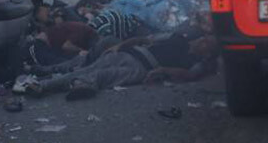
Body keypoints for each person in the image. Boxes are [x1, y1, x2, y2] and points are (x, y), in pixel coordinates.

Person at [16, 33, 218, 98]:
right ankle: (44, 86)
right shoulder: (177, 38)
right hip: (129, 53)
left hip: (142, 68)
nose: (203, 43)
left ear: (208, 52)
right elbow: (144, 38)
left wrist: (164, 70)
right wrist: (119, 46)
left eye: (208, 44)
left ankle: (80, 86)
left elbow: (190, 75)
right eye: (204, 39)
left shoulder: (195, 62)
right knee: (88, 69)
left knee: (105, 75)